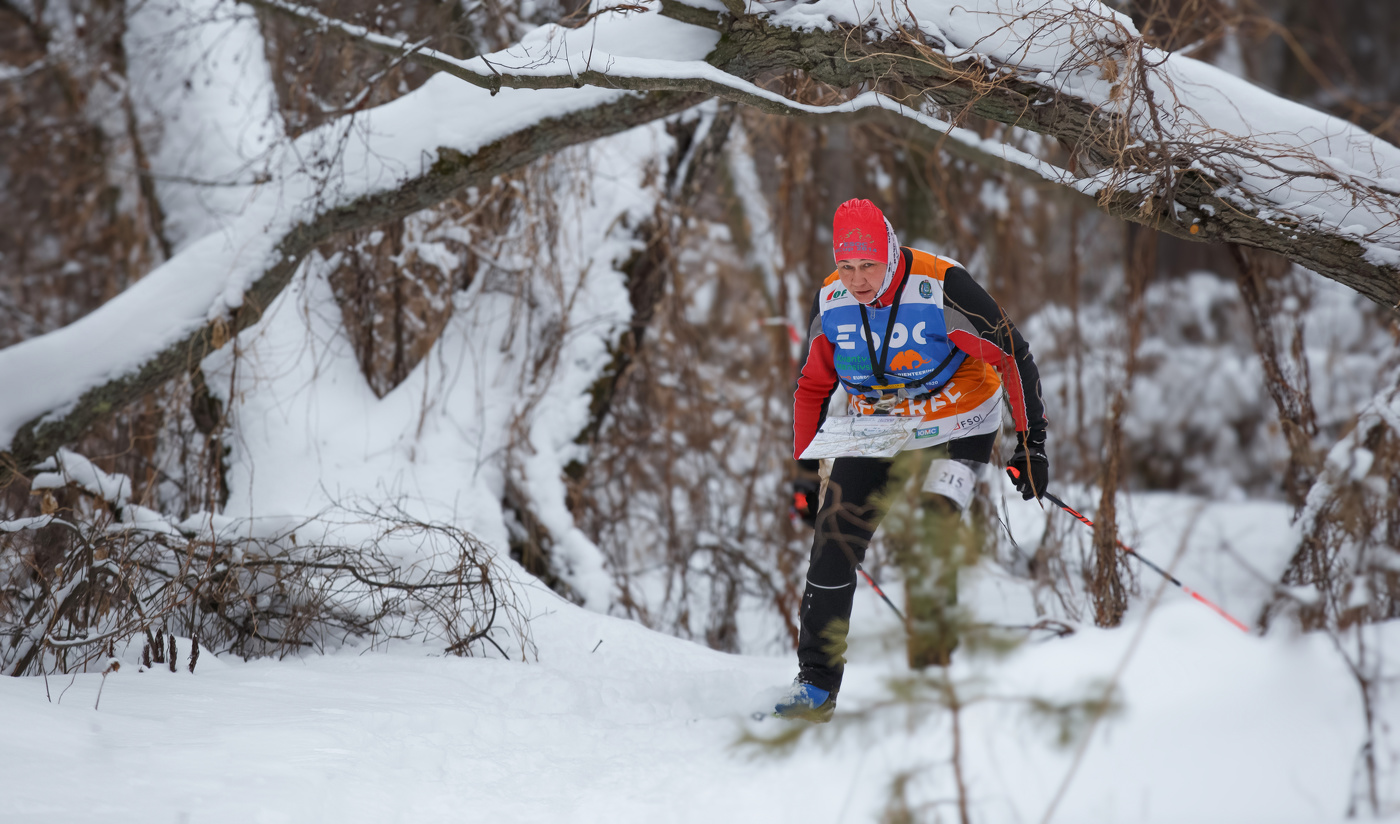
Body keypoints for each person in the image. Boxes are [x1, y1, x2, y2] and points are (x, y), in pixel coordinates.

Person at [775, 198, 1049, 722]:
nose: (857, 280)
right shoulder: (832, 301)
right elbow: (811, 386)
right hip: (877, 425)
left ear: (892, 252)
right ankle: (815, 686)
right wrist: (805, 470)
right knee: (834, 539)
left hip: (960, 419)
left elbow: (1014, 354)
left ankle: (933, 674)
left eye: (868, 266)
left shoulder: (942, 287)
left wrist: (1031, 444)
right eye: (847, 266)